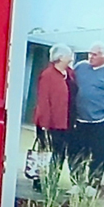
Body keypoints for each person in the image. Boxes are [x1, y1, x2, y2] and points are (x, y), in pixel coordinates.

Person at [67, 43, 104, 184]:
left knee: (97, 156)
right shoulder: (81, 67)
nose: (90, 57)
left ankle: (93, 185)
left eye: (95, 54)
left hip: (100, 122)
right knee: (75, 153)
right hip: (80, 120)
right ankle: (76, 183)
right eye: (90, 53)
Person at [29, 44, 75, 179]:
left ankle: (52, 180)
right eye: (69, 55)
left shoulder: (70, 74)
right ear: (60, 57)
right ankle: (40, 180)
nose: (71, 58)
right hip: (50, 123)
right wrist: (45, 124)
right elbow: (43, 100)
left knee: (59, 153)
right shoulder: (48, 75)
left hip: (65, 122)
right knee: (45, 152)